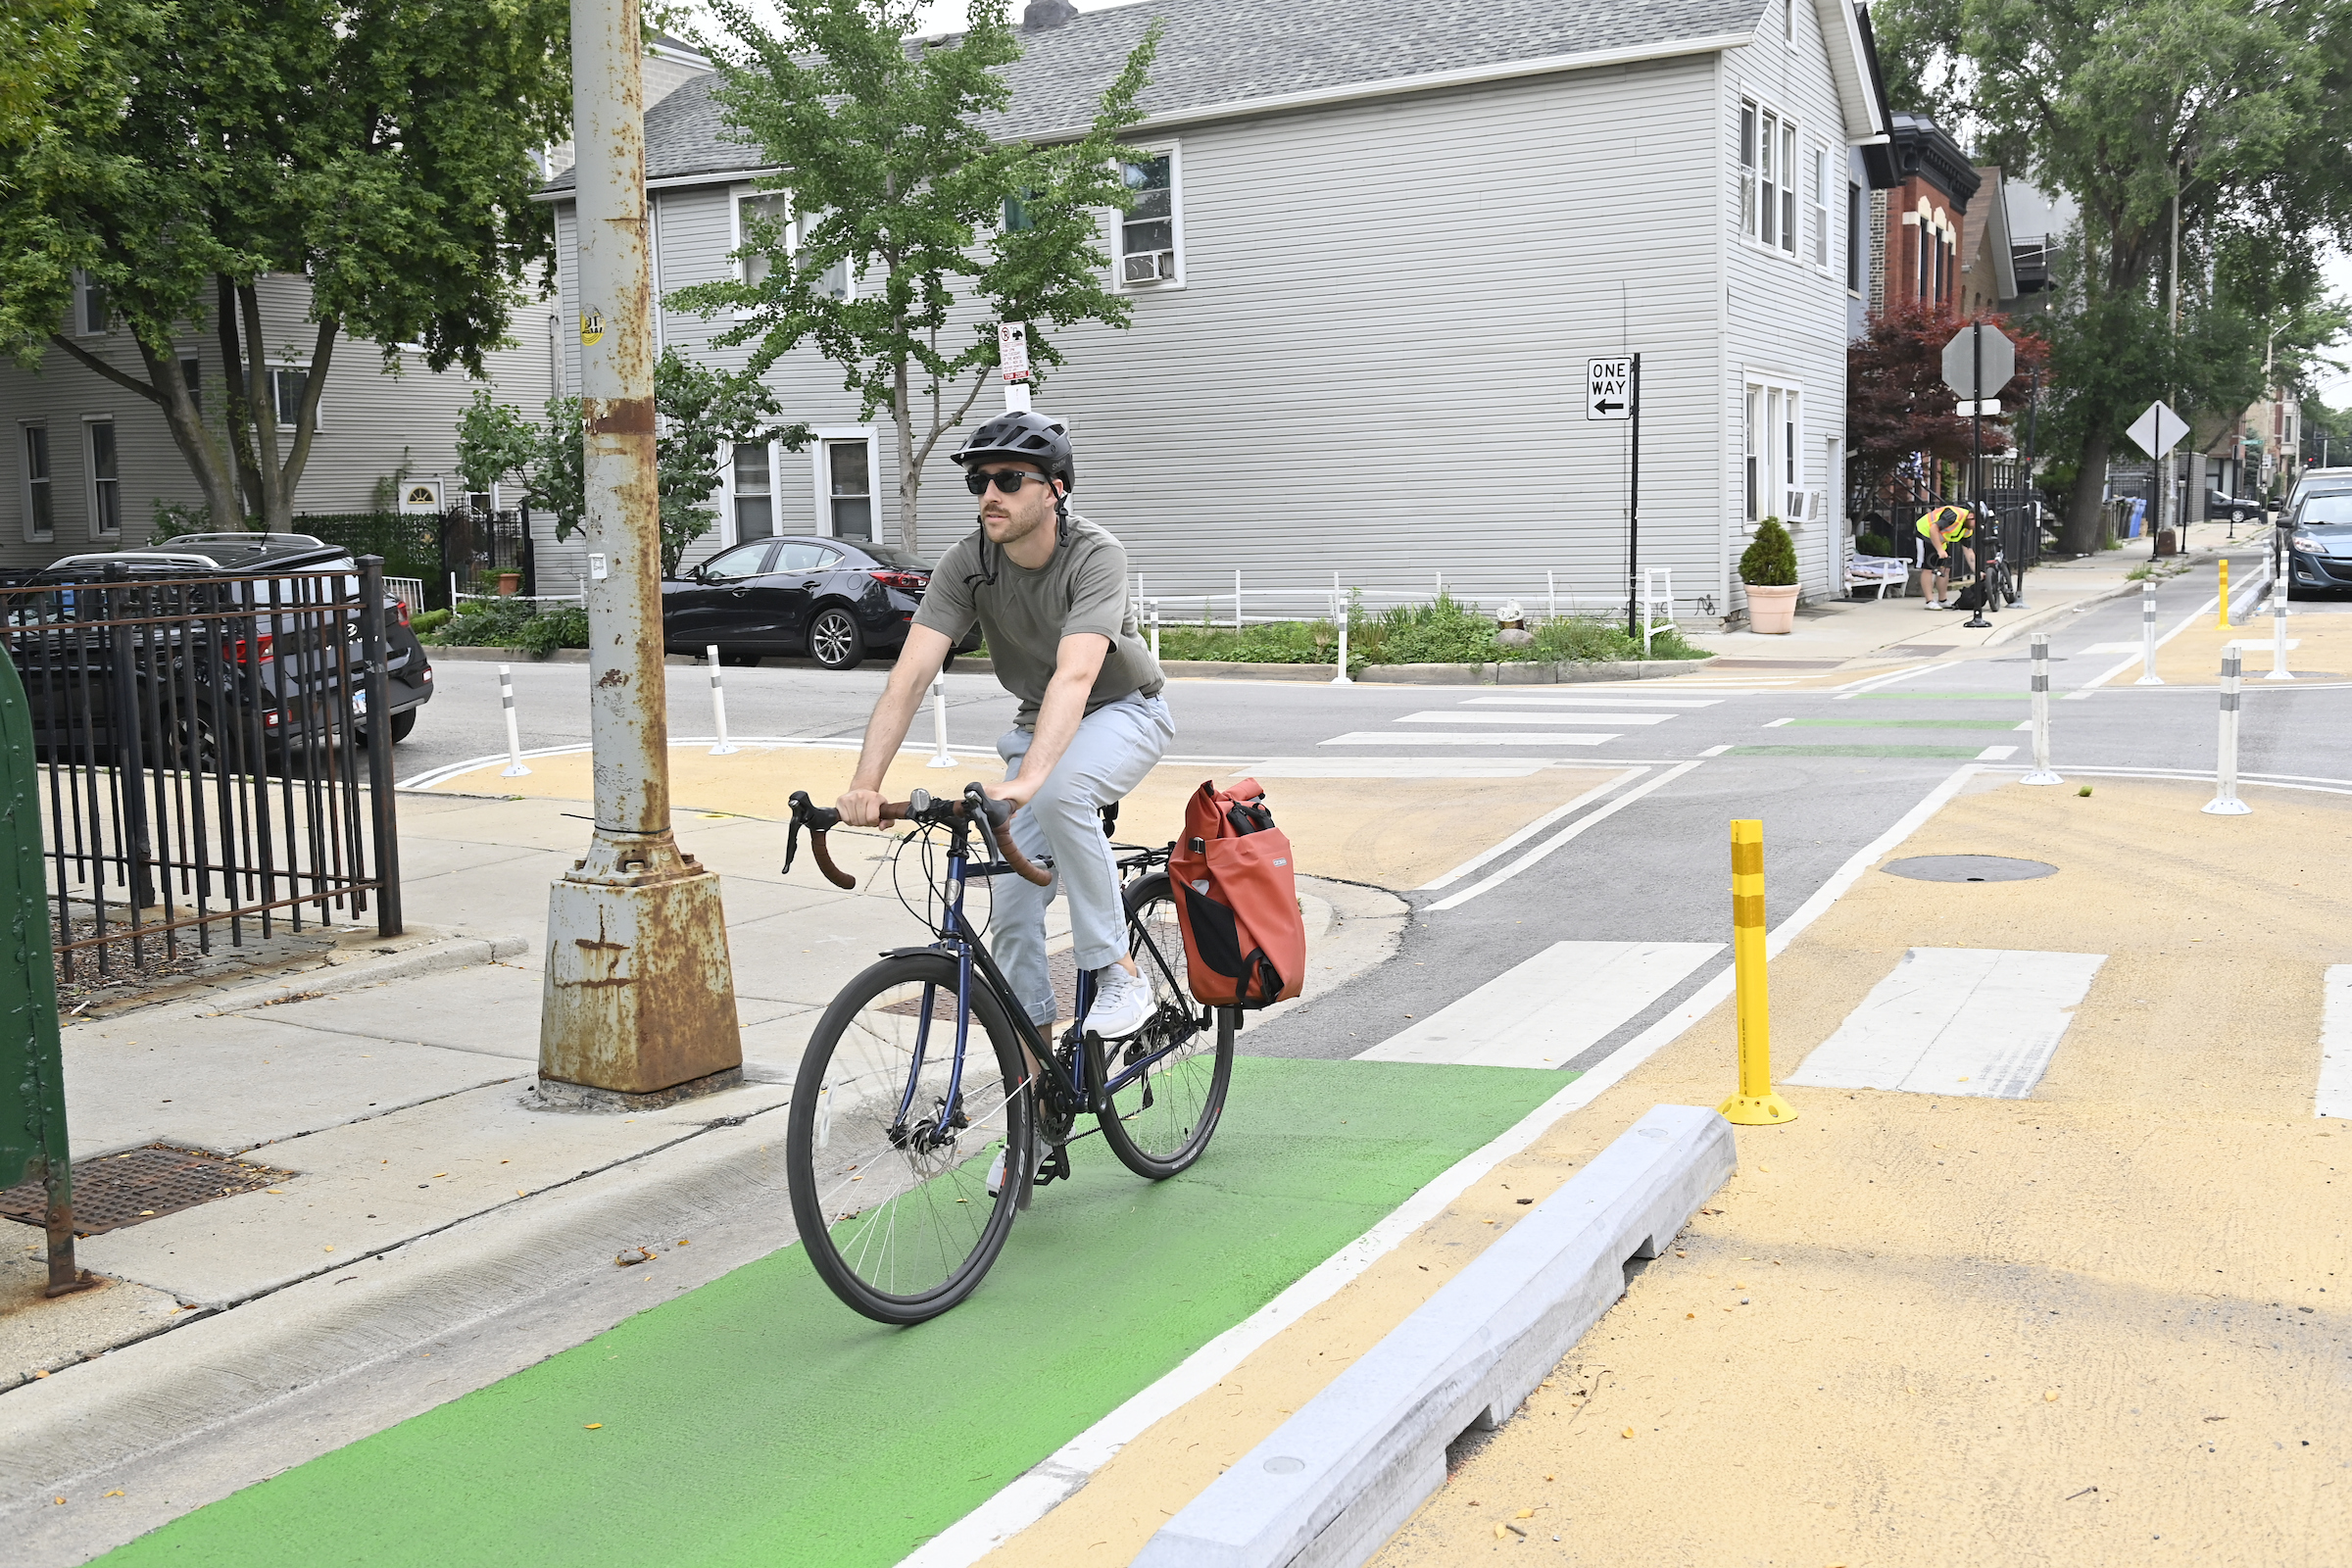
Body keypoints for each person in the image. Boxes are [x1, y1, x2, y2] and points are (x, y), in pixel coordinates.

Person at [834, 410, 1173, 1041]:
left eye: (1010, 479)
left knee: (1064, 788)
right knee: (1013, 905)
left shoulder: (1096, 556)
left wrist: (1029, 781)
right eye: (979, 480)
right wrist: (865, 785)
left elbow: (1076, 677)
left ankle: (1119, 972)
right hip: (1037, 727)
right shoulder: (968, 565)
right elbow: (907, 679)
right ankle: (1036, 1093)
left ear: (1055, 488)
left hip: (1126, 710)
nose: (990, 493)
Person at [1913, 502, 1976, 610]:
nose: (1976, 527)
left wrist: (1977, 571)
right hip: (1925, 532)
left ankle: (1942, 600)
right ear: (1971, 516)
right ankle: (1929, 601)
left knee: (1945, 568)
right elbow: (1933, 528)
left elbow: (1969, 552)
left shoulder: (1967, 530)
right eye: (1976, 522)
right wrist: (1940, 550)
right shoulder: (1954, 514)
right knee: (1928, 567)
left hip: (1940, 538)